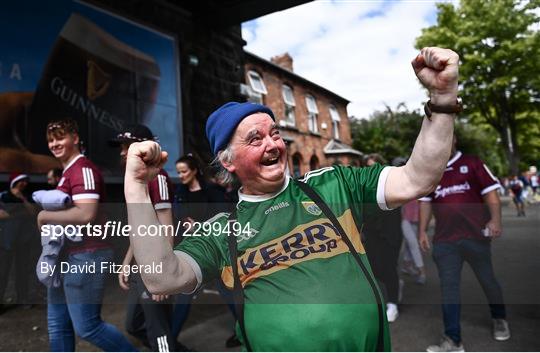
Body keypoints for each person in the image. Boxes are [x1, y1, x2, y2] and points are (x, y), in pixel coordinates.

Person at [125, 47, 460, 351]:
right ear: (228, 161)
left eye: (275, 134)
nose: (273, 145)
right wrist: (136, 186)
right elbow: (162, 278)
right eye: (255, 140)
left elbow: (418, 178)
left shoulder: (333, 184)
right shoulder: (221, 232)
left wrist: (442, 100)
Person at [37, 118, 137, 352]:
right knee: (57, 324)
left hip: (88, 254)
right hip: (66, 256)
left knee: (88, 327)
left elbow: (86, 213)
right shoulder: (68, 171)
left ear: (74, 138)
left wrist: (43, 217)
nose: (54, 144)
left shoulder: (83, 169)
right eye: (51, 139)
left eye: (60, 137)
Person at [418, 135, 510, 352]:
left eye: (445, 139)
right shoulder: (432, 172)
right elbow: (425, 202)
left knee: (488, 281)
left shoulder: (472, 163)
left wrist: (495, 219)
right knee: (449, 288)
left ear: (454, 140)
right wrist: (421, 230)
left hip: (475, 236)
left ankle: (499, 318)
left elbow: (491, 193)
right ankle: (453, 340)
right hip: (445, 241)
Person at [109, 124, 176, 352]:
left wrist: (164, 274)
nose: (121, 151)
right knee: (133, 325)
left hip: (155, 267)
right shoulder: (136, 178)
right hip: (141, 266)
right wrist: (127, 263)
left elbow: (166, 227)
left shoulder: (158, 177)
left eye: (126, 146)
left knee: (159, 333)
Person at [173, 154, 240, 348]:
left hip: (217, 250)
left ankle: (243, 332)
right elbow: (178, 218)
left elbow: (226, 219)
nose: (181, 175)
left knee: (228, 292)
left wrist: (199, 226)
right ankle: (170, 340)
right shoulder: (180, 192)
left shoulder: (213, 191)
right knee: (184, 295)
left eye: (184, 171)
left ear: (194, 170)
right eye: (178, 172)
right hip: (196, 251)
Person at [364, 156, 404, 322]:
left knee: (389, 269)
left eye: (374, 166)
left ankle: (392, 304)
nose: (371, 170)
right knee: (374, 270)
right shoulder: (363, 187)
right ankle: (389, 292)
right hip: (371, 235)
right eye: (367, 167)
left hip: (390, 234)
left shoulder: (390, 184)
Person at [0, 173, 38, 311]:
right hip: (6, 240)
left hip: (24, 240)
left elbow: (33, 213)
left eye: (26, 181)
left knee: (22, 271)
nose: (24, 184)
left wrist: (22, 199)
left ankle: (23, 299)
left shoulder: (27, 197)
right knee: (2, 272)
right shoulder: (3, 196)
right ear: (15, 182)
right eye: (22, 181)